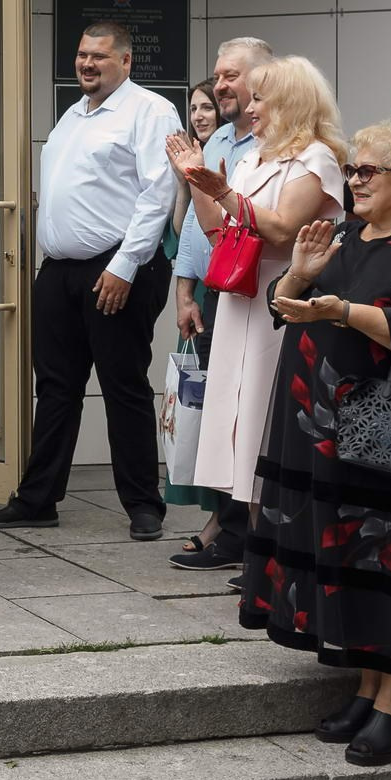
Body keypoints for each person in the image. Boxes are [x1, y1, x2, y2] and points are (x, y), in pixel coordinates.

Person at [244, 121, 391, 767]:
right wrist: (297, 276)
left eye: (368, 172)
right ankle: (367, 685)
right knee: (349, 558)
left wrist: (342, 310)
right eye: (353, 171)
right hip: (321, 428)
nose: (354, 181)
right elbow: (284, 306)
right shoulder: (343, 235)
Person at [0, 24, 181, 540]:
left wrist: (125, 266)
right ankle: (38, 499)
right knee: (56, 388)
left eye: (100, 56)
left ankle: (143, 505)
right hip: (61, 273)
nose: (87, 64)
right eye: (82, 55)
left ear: (127, 61)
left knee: (123, 386)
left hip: (117, 269)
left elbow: (158, 194)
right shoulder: (73, 114)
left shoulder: (150, 111)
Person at [170, 55, 347, 580]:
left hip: (282, 306)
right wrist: (198, 181)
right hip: (239, 302)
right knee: (238, 423)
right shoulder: (256, 160)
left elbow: (281, 229)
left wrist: (222, 191)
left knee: (268, 424)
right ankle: (256, 548)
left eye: (262, 98)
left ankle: (276, 553)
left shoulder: (317, 160)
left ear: (291, 101)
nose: (252, 108)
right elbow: (218, 234)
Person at [168, 38, 270, 566]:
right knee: (218, 414)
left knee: (248, 422)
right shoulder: (224, 139)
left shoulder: (275, 145)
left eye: (230, 76)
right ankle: (229, 529)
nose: (220, 86)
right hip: (216, 287)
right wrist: (185, 292)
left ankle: (245, 537)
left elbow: (256, 223)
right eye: (217, 76)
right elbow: (194, 227)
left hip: (259, 292)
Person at [158, 79, 221, 520]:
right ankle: (216, 515)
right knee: (199, 401)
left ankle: (225, 519)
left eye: (207, 107)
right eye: (193, 108)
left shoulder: (228, 158)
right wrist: (184, 182)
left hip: (226, 285)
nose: (198, 115)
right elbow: (181, 234)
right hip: (197, 285)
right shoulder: (193, 162)